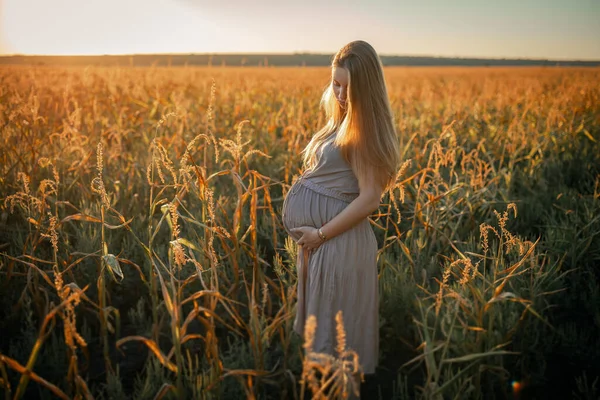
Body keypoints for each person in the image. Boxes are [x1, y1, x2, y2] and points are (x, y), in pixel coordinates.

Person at [281, 40, 400, 386]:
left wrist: (319, 235)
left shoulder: (364, 130)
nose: (341, 92)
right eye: (335, 82)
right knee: (326, 349)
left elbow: (370, 199)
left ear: (367, 87)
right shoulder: (341, 121)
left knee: (337, 350)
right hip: (323, 247)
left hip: (336, 246)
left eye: (349, 86)